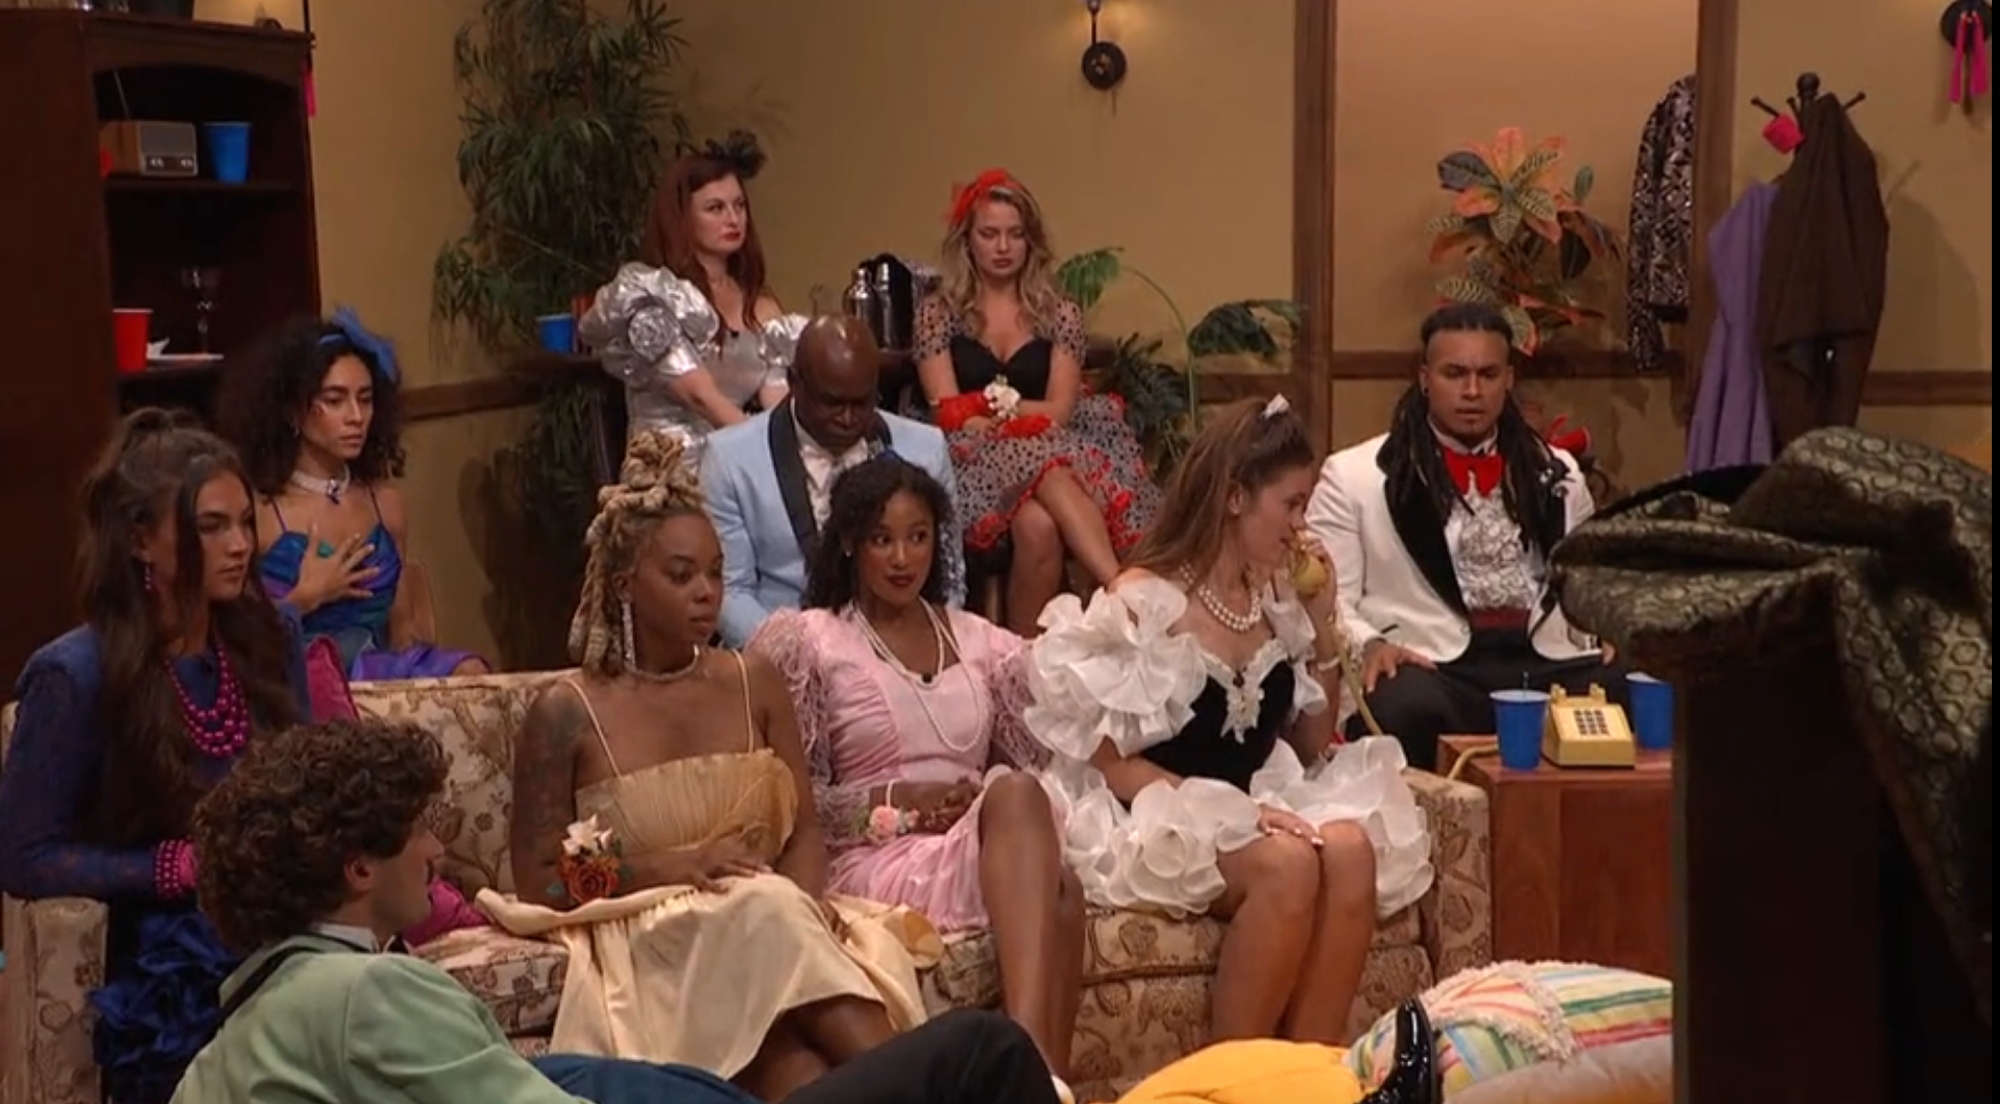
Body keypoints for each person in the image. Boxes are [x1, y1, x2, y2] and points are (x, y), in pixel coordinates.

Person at [174, 718, 1068, 1104]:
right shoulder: (362, 995)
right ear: (358, 867)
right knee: (979, 1053)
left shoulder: (231, 1041)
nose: (436, 852)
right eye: (416, 831)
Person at [480, 431, 932, 1103]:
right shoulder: (567, 711)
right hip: (654, 937)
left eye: (717, 574)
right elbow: (540, 878)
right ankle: (945, 1087)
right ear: (626, 585)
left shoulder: (756, 680)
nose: (707, 593)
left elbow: (805, 831)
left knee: (804, 1068)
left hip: (779, 924)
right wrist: (673, 866)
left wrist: (805, 908)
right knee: (765, 922)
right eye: (682, 575)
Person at [1025, 396, 1434, 1045]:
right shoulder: (1145, 600)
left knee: (1352, 851)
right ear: (1236, 497)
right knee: (1287, 865)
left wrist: (1322, 623)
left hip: (1255, 802)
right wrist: (1236, 812)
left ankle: (1310, 1074)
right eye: (1291, 505)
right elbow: (1111, 765)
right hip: (1159, 809)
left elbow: (1309, 746)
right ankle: (1230, 1077)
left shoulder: (1275, 597)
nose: (1301, 527)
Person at [749, 456, 1085, 1100]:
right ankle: (1031, 1069)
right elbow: (793, 803)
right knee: (1052, 878)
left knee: (1051, 857)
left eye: (919, 537)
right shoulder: (810, 641)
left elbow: (1037, 759)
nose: (903, 558)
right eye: (882, 539)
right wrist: (897, 801)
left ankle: (1036, 1073)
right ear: (850, 543)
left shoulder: (981, 641)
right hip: (874, 857)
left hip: (983, 846)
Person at [0, 409, 310, 1104]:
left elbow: (311, 779)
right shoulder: (77, 676)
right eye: (212, 527)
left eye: (246, 522)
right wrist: (172, 868)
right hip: (168, 954)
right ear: (141, 541)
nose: (241, 545)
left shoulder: (271, 636)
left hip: (281, 917)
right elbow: (23, 856)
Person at [1304, 303, 1620, 771]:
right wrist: (1370, 645)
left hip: (1543, 662)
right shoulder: (1353, 477)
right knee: (1405, 706)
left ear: (1508, 380)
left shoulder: (1559, 471)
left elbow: (1586, 578)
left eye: (1487, 374)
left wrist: (1608, 623)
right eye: (1455, 374)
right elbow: (1330, 603)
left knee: (1640, 683)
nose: (1472, 391)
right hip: (1433, 666)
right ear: (1425, 378)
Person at [912, 169, 1162, 636]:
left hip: (1049, 446)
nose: (1003, 247)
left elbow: (1059, 412)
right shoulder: (937, 312)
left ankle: (1023, 659)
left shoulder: (1059, 313)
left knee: (1039, 526)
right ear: (967, 241)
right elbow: (946, 410)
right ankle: (1120, 589)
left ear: (1031, 242)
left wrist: (990, 409)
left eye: (1015, 235)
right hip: (968, 460)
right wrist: (996, 416)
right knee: (1048, 468)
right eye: (990, 234)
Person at [215, 310, 489, 680]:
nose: (356, 416)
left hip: (376, 672)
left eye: (365, 399)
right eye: (335, 400)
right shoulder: (258, 512)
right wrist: (306, 597)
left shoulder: (386, 505)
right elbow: (232, 641)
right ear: (293, 411)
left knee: (470, 672)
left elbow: (402, 632)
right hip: (296, 677)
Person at [704, 315, 964, 647]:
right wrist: (805, 658)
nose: (847, 418)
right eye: (832, 403)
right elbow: (730, 592)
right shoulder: (730, 458)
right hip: (780, 656)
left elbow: (949, 580)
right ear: (794, 383)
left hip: (902, 652)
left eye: (862, 403)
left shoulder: (925, 449)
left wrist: (906, 649)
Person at [581, 131, 806, 472]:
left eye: (739, 205)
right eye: (715, 208)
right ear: (682, 218)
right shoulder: (654, 299)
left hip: (737, 462)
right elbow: (701, 397)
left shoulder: (760, 305)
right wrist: (769, 454)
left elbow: (777, 403)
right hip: (670, 473)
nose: (733, 218)